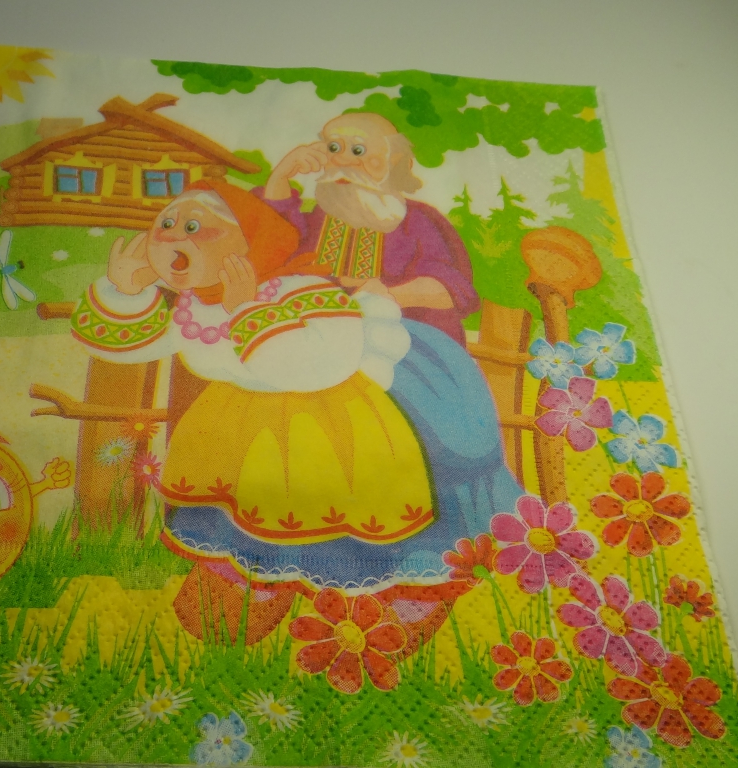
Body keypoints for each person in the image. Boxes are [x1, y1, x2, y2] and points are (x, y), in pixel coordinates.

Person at [69, 180, 521, 685]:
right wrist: (125, 292)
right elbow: (136, 344)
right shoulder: (198, 304)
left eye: (193, 226)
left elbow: (316, 366)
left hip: (330, 421)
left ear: (249, 239)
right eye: (166, 225)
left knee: (342, 505)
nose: (173, 237)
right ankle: (254, 577)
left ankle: (397, 589)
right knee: (248, 501)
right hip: (246, 424)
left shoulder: (300, 288)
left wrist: (246, 310)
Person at [259, 112, 479, 347]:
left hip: (407, 341)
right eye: (334, 148)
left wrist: (383, 296)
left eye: (358, 150)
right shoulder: (320, 217)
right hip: (321, 338)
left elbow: (446, 291)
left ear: (394, 161)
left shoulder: (416, 220)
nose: (343, 160)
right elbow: (273, 241)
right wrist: (280, 176)